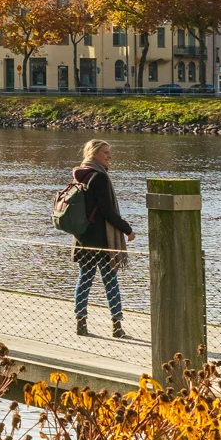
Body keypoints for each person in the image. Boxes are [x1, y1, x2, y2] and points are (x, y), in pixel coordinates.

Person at [67, 139, 134, 338]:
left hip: (82, 238)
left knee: (84, 279)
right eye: (106, 153)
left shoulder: (80, 174)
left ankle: (81, 323)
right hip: (102, 240)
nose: (109, 156)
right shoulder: (99, 178)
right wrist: (127, 230)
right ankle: (117, 327)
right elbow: (108, 212)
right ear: (95, 153)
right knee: (110, 281)